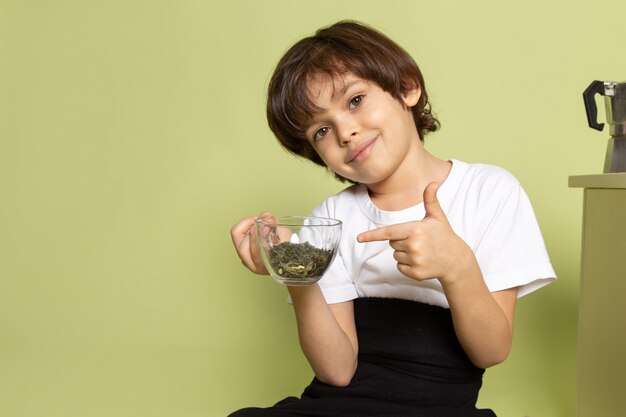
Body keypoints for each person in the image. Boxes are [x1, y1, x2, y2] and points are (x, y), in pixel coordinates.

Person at [228, 20, 556, 417]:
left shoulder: (489, 191)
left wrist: (457, 268)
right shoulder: (331, 217)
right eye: (321, 131)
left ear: (407, 87)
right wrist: (295, 272)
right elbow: (337, 371)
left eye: (354, 100)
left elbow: (491, 351)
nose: (345, 132)